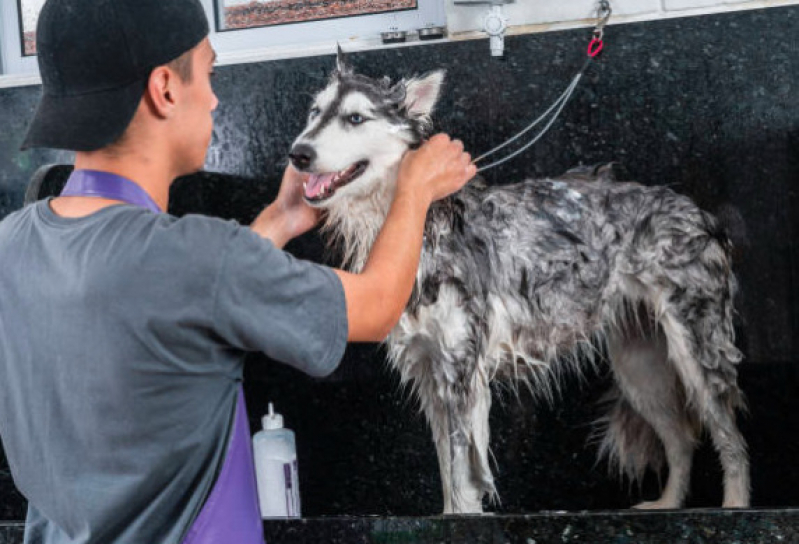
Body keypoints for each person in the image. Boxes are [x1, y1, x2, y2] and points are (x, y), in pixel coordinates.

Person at [0, 1, 476, 543]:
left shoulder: (11, 245)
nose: (214, 97)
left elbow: (175, 293)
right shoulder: (200, 255)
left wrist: (279, 220)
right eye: (208, 72)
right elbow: (376, 306)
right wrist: (414, 192)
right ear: (165, 89)